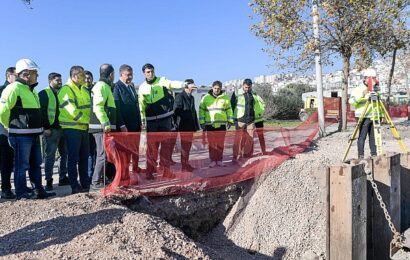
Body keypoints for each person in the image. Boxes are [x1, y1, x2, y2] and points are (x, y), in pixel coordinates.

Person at [0, 58, 55, 199]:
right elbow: (2, 111)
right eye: (34, 72)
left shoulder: (32, 90)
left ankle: (38, 190)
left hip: (35, 134)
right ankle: (21, 193)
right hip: (20, 135)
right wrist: (9, 127)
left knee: (36, 164)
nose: (37, 75)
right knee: (21, 166)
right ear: (26, 73)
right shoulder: (13, 88)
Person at [138, 63, 184, 179]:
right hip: (151, 122)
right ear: (144, 73)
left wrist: (184, 84)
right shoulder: (142, 87)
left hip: (165, 120)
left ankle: (166, 172)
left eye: (152, 71)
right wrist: (143, 120)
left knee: (166, 148)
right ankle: (150, 172)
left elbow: (172, 83)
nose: (151, 73)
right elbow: (141, 106)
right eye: (148, 72)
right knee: (152, 149)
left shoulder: (161, 80)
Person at [58, 66, 91, 194]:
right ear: (74, 77)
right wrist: (88, 121)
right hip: (71, 128)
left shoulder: (84, 89)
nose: (85, 78)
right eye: (82, 76)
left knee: (84, 157)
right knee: (73, 158)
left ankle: (85, 184)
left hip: (84, 128)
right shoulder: (65, 90)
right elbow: (71, 110)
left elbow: (89, 108)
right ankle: (74, 186)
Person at [39, 72, 69, 191]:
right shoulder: (44, 93)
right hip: (51, 130)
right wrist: (46, 127)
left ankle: (62, 177)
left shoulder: (63, 93)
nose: (60, 82)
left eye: (60, 80)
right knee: (50, 156)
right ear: (50, 80)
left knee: (64, 154)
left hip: (63, 128)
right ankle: (49, 180)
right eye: (57, 80)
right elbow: (42, 111)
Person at [89, 64, 117, 190]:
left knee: (104, 155)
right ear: (111, 74)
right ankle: (96, 183)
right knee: (102, 155)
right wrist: (105, 123)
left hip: (101, 126)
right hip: (100, 127)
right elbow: (98, 107)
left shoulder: (104, 86)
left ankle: (101, 179)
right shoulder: (102, 86)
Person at [113, 64, 142, 173]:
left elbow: (136, 106)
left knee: (135, 150)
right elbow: (117, 108)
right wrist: (122, 125)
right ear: (121, 74)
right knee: (125, 152)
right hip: (125, 127)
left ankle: (135, 169)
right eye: (128, 75)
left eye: (131, 75)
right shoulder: (117, 87)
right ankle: (124, 173)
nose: (130, 77)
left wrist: (139, 123)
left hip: (135, 126)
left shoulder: (131, 87)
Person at [199, 80, 233, 167]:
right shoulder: (205, 98)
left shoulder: (225, 98)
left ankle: (219, 160)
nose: (217, 90)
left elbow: (229, 110)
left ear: (221, 88)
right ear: (212, 88)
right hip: (210, 125)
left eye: (218, 88)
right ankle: (213, 160)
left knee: (220, 144)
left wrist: (230, 121)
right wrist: (202, 122)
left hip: (221, 125)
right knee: (212, 144)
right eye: (215, 88)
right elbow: (201, 111)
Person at [349, 67, 380, 159]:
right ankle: (361, 156)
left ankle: (374, 155)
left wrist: (380, 116)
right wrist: (363, 94)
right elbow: (352, 101)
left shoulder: (375, 89)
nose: (372, 80)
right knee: (362, 137)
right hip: (363, 116)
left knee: (373, 138)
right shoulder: (358, 89)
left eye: (374, 78)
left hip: (373, 117)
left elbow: (378, 104)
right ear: (365, 78)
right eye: (371, 78)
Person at [231, 78, 265, 163]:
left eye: (249, 87)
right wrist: (232, 119)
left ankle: (245, 155)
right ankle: (235, 156)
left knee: (250, 139)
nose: (247, 89)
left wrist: (258, 114)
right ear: (243, 85)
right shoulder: (236, 93)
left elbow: (259, 104)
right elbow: (231, 106)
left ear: (251, 86)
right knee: (238, 139)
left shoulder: (254, 94)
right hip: (240, 119)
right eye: (246, 87)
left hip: (251, 120)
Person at [174, 79, 200, 171]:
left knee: (187, 147)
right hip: (183, 126)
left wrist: (196, 126)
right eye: (192, 85)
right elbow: (177, 111)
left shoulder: (191, 97)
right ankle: (184, 166)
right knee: (184, 147)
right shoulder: (180, 96)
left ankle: (186, 164)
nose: (194, 87)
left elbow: (194, 112)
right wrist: (177, 125)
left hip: (190, 126)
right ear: (187, 86)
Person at [0, 67, 16, 199]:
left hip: (12, 130)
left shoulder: (17, 90)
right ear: (9, 76)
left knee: (11, 160)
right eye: (17, 75)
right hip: (4, 131)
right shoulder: (3, 90)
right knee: (5, 160)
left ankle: (11, 186)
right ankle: (5, 188)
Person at [84, 70, 96, 180]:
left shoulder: (96, 89)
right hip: (84, 126)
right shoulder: (81, 90)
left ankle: (95, 174)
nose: (87, 80)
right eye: (85, 78)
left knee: (95, 152)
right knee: (87, 153)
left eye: (89, 78)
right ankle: (89, 174)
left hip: (95, 125)